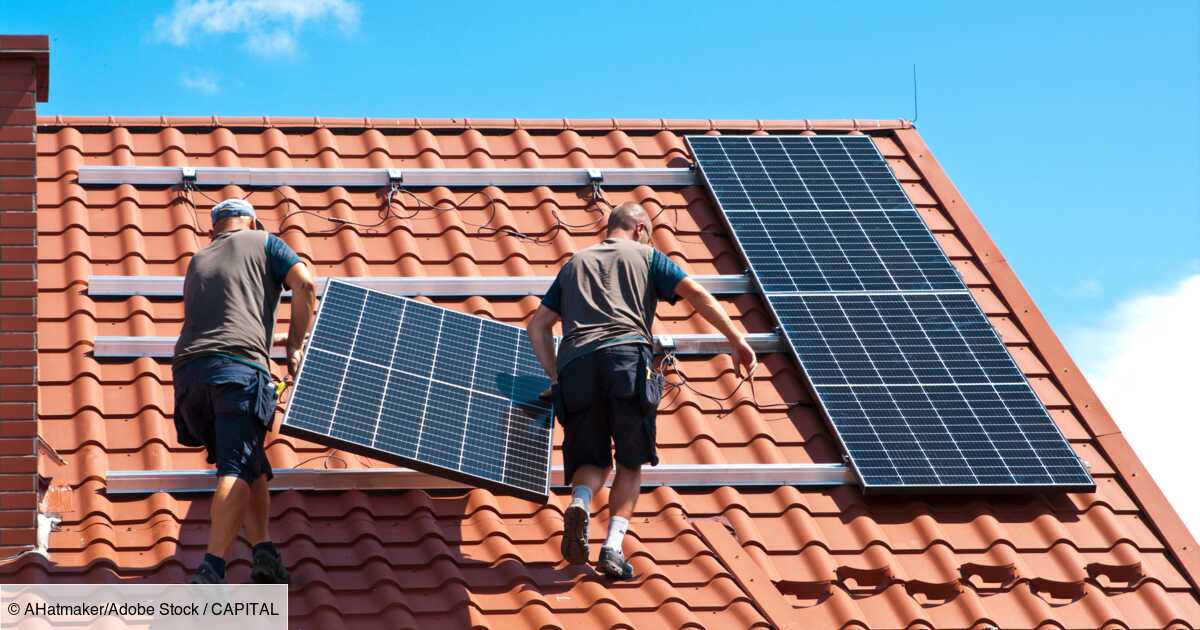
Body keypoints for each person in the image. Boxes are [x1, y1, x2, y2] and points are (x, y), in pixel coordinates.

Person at [526, 201, 756, 579]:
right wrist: (736, 339)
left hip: (577, 367)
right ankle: (613, 548)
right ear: (639, 229)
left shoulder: (574, 265)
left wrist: (555, 377)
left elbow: (539, 326)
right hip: (626, 359)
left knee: (592, 459)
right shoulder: (648, 256)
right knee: (630, 460)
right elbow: (695, 293)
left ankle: (580, 502)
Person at [172, 198, 316, 584]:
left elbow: (229, 322)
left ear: (213, 230)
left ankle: (264, 552)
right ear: (252, 223)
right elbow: (305, 284)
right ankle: (212, 568)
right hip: (236, 374)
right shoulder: (265, 242)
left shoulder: (198, 260)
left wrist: (272, 338)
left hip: (189, 379)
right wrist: (296, 344)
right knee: (235, 467)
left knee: (252, 463)